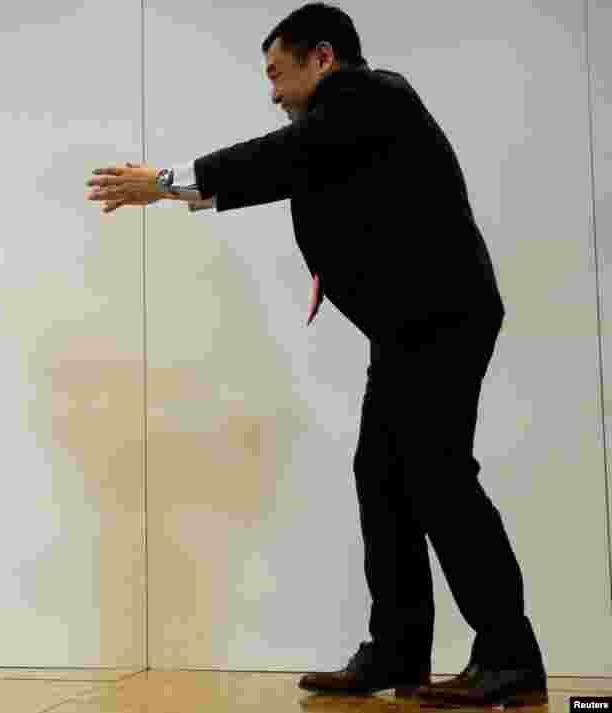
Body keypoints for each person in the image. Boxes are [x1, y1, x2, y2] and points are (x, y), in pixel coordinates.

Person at [86, 2, 546, 707]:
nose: (271, 91)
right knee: (383, 479)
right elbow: (304, 173)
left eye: (277, 73)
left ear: (322, 57)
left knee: (439, 477)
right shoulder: (345, 125)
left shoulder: (368, 95)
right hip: (407, 329)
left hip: (440, 320)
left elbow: (277, 162)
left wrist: (166, 182)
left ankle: (509, 655)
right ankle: (398, 649)